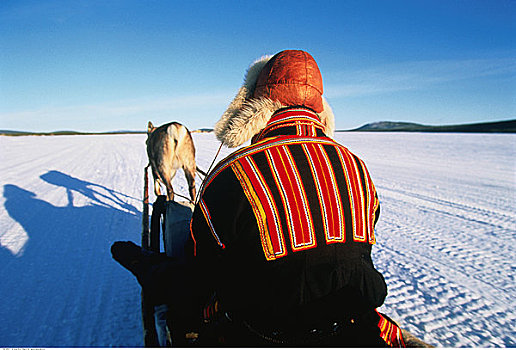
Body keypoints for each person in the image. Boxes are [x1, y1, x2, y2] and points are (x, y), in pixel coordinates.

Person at [113, 49, 405, 347]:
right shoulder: (356, 166)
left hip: (264, 332)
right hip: (355, 320)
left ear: (253, 108)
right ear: (321, 107)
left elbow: (203, 270)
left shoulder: (232, 174)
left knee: (179, 280)